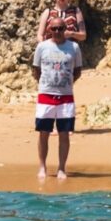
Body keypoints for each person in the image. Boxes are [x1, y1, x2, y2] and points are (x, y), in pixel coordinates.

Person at [32, 16, 83, 179]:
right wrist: (47, 83)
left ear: (65, 29)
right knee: (43, 132)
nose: (57, 32)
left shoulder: (73, 47)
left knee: (64, 132)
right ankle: (42, 167)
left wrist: (66, 83)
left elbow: (78, 71)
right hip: (46, 95)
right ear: (49, 30)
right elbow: (36, 70)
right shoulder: (42, 47)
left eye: (60, 28)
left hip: (66, 97)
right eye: (54, 28)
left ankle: (61, 168)